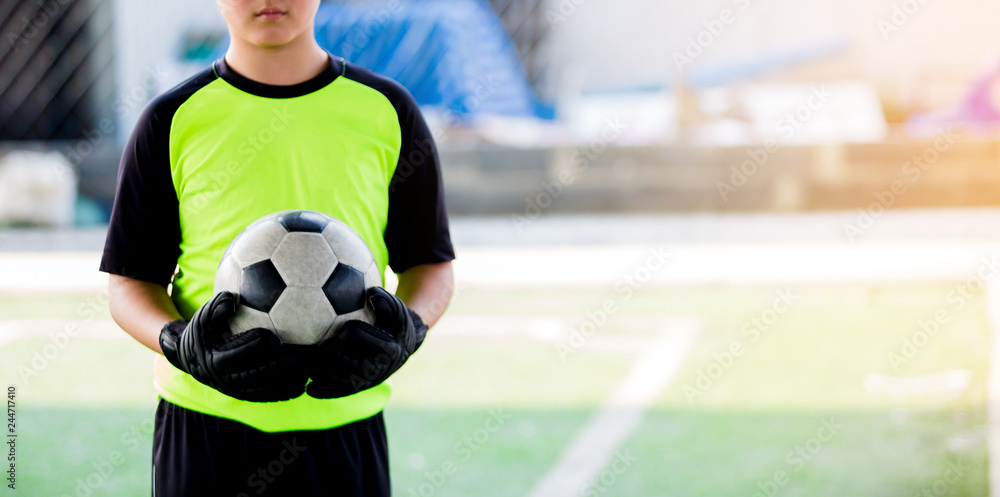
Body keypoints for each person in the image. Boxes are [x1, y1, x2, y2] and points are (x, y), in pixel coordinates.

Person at [100, 1, 455, 495]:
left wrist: (409, 331)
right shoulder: (171, 118)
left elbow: (430, 266)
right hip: (205, 428)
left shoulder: (387, 110)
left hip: (344, 425)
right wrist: (180, 345)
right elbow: (128, 284)